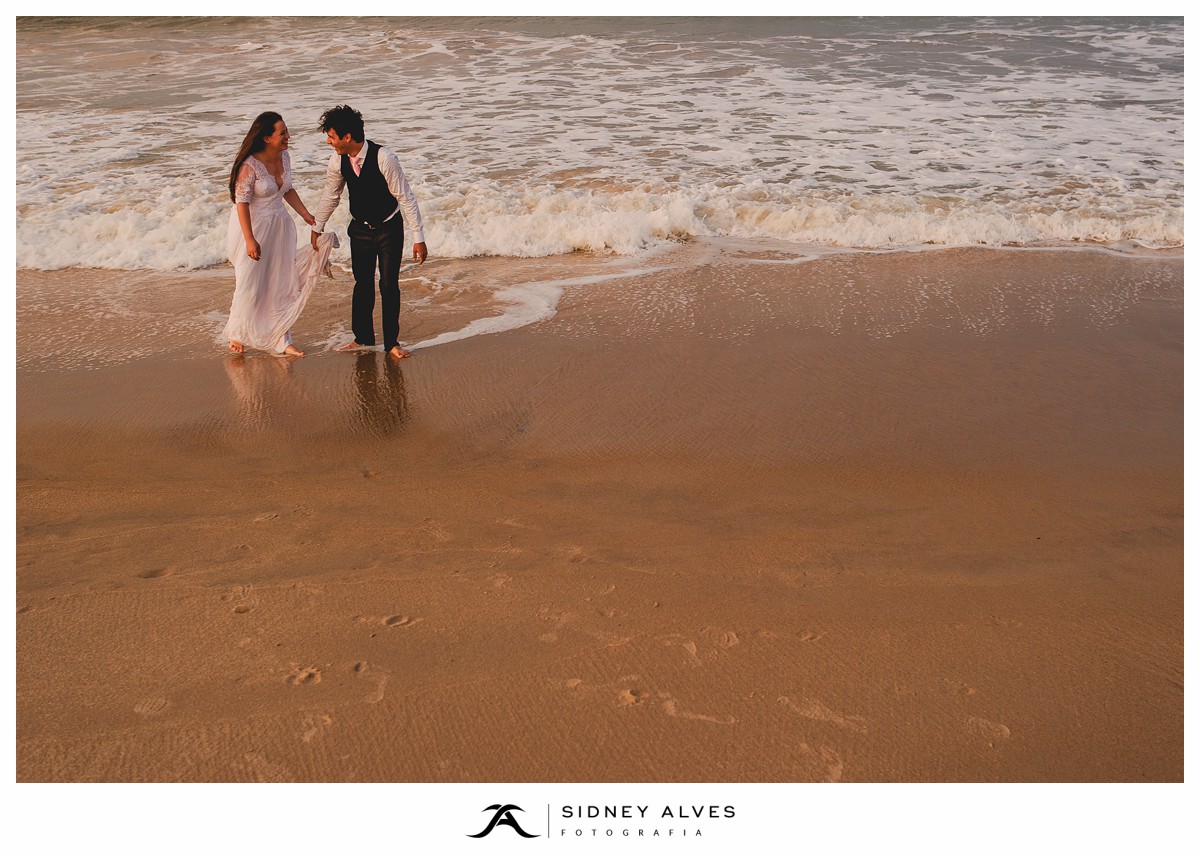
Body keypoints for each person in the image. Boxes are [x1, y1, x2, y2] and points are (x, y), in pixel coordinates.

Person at [310, 104, 428, 360]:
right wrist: (317, 227)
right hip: (360, 230)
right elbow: (331, 196)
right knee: (362, 283)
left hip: (389, 228)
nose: (329, 142)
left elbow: (406, 197)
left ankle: (392, 343)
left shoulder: (384, 158)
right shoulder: (337, 160)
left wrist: (418, 238)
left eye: (331, 137)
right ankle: (362, 337)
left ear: (347, 137)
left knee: (388, 284)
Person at [223, 111, 318, 357]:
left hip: (280, 227)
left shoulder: (285, 157)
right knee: (250, 283)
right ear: (266, 138)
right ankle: (238, 333)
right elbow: (241, 204)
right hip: (252, 228)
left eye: (287, 131)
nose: (288, 136)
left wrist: (306, 215)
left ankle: (282, 339)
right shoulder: (249, 166)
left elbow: (287, 190)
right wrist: (249, 240)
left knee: (280, 282)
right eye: (282, 133)